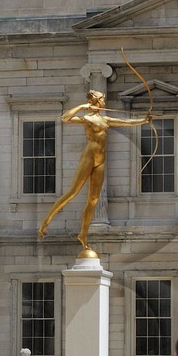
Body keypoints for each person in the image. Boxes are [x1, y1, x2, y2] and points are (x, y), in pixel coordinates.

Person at [37, 89, 153, 253]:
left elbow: (125, 122)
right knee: (72, 192)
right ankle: (46, 221)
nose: (104, 102)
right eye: (101, 99)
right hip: (89, 156)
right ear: (95, 101)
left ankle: (83, 234)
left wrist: (144, 120)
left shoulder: (105, 119)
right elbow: (65, 118)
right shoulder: (87, 118)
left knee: (93, 199)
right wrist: (82, 106)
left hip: (101, 159)